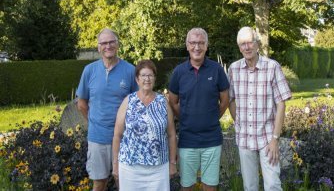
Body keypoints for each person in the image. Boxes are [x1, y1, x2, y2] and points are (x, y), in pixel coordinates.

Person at [228, 27, 292, 191]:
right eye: (243, 44)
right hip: (244, 138)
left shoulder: (272, 67)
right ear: (239, 47)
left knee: (272, 185)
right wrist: (239, 122)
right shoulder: (233, 69)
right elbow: (231, 100)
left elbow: (281, 103)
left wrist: (275, 138)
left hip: (267, 138)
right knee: (249, 186)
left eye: (250, 42)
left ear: (257, 44)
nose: (247, 47)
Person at [76, 28, 138, 191]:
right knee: (99, 183)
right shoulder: (89, 71)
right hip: (97, 138)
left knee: (124, 183)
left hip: (125, 139)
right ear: (98, 47)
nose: (108, 46)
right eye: (103, 43)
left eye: (111, 42)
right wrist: (93, 122)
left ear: (117, 45)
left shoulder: (130, 70)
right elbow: (81, 103)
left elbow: (137, 104)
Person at [168, 28, 230, 191]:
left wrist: (211, 117)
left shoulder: (216, 69)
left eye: (201, 43)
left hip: (212, 140)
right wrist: (186, 119)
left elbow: (224, 100)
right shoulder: (179, 72)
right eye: (193, 43)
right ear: (187, 46)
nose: (197, 47)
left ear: (206, 46)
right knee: (186, 186)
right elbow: (173, 102)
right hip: (188, 140)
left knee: (210, 187)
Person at [112, 59, 177, 190]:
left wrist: (172, 163)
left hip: (158, 169)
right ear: (137, 79)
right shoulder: (128, 101)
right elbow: (117, 136)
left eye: (150, 75)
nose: (147, 79)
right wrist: (115, 165)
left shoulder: (162, 102)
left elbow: (171, 135)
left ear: (154, 78)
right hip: (130, 168)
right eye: (143, 75)